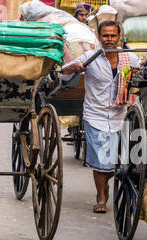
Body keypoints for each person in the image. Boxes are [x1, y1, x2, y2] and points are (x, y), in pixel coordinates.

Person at [60, 20, 141, 214]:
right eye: (106, 36)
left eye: (113, 36)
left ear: (119, 37)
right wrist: (75, 67)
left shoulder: (130, 58)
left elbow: (143, 74)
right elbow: (63, 72)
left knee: (114, 162)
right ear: (99, 37)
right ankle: (101, 196)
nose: (110, 40)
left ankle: (105, 184)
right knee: (100, 161)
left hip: (120, 115)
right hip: (95, 115)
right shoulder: (90, 57)